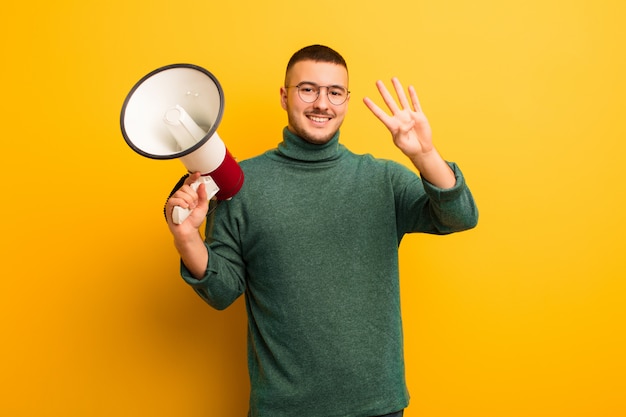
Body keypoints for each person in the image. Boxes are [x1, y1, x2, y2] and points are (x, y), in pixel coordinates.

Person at [165, 44, 478, 417]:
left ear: (346, 100)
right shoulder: (242, 185)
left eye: (334, 92)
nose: (322, 104)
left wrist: (425, 154)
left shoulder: (381, 179)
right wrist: (186, 237)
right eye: (307, 89)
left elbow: (459, 216)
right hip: (283, 408)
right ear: (284, 96)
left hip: (377, 405)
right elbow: (220, 291)